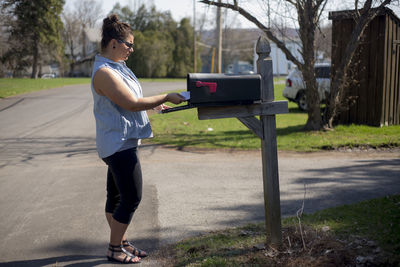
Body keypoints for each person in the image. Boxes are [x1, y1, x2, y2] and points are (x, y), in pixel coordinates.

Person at [91, 14, 185, 264]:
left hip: (122, 141)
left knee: (117, 196)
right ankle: (114, 248)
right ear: (113, 43)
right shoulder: (104, 73)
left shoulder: (117, 69)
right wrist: (165, 96)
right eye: (129, 44)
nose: (132, 49)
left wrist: (153, 107)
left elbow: (129, 102)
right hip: (117, 144)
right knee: (132, 196)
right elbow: (131, 104)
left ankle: (120, 241)